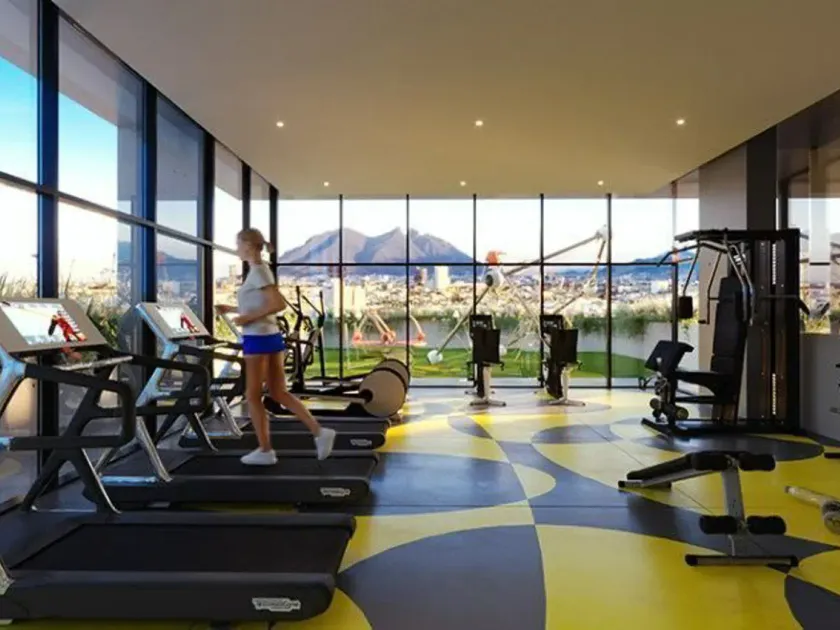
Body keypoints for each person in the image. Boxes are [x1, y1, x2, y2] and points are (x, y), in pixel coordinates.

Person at [218, 228, 335, 465]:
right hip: (269, 337)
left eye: (238, 244)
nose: (236, 249)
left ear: (248, 246)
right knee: (278, 392)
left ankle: (265, 450)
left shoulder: (259, 271)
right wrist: (232, 309)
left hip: (258, 339)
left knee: (252, 396)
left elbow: (278, 304)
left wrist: (248, 318)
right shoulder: (260, 270)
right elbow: (261, 303)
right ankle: (319, 432)